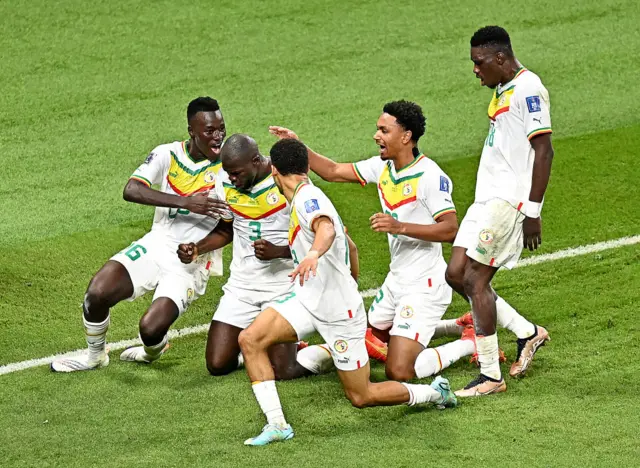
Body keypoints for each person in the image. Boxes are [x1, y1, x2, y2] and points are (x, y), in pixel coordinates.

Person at [238, 138, 457, 447]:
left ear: (274, 171)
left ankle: (434, 393)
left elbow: (326, 229)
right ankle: (277, 424)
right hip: (308, 299)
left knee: (361, 395)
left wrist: (314, 255)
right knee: (250, 339)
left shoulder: (307, 198)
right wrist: (348, 280)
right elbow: (350, 245)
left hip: (339, 314)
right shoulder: (299, 196)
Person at [269, 100, 478, 382]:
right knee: (366, 339)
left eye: (384, 130)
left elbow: (451, 228)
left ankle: (469, 343)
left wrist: (399, 226)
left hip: (424, 286)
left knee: (399, 370)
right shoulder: (382, 168)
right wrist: (297, 148)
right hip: (396, 282)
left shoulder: (430, 175)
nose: (376, 136)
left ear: (406, 136)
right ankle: (456, 324)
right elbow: (332, 171)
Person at [51, 97, 227, 372]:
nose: (218, 136)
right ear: (192, 130)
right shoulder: (168, 154)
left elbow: (229, 227)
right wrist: (187, 202)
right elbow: (131, 190)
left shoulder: (229, 167)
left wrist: (199, 248)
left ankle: (151, 353)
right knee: (96, 293)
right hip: (156, 244)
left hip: (190, 263)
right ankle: (95, 356)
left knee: (150, 329)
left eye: (221, 128)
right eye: (210, 131)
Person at [445, 26, 554, 397]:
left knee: (475, 280)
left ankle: (491, 375)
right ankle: (527, 332)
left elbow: (544, 151)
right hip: (485, 198)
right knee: (455, 274)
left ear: (501, 58)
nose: (476, 69)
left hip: (508, 200)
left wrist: (533, 211)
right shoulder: (503, 89)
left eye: (480, 62)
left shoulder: (528, 89)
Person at [177, 134, 335, 379]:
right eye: (228, 173)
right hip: (242, 287)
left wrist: (280, 251)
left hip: (284, 287)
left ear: (256, 160)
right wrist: (198, 248)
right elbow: (225, 228)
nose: (231, 178)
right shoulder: (226, 179)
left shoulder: (286, 182)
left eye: (237, 173)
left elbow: (315, 239)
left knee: (284, 370)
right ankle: (260, 350)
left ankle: (330, 351)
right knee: (218, 364)